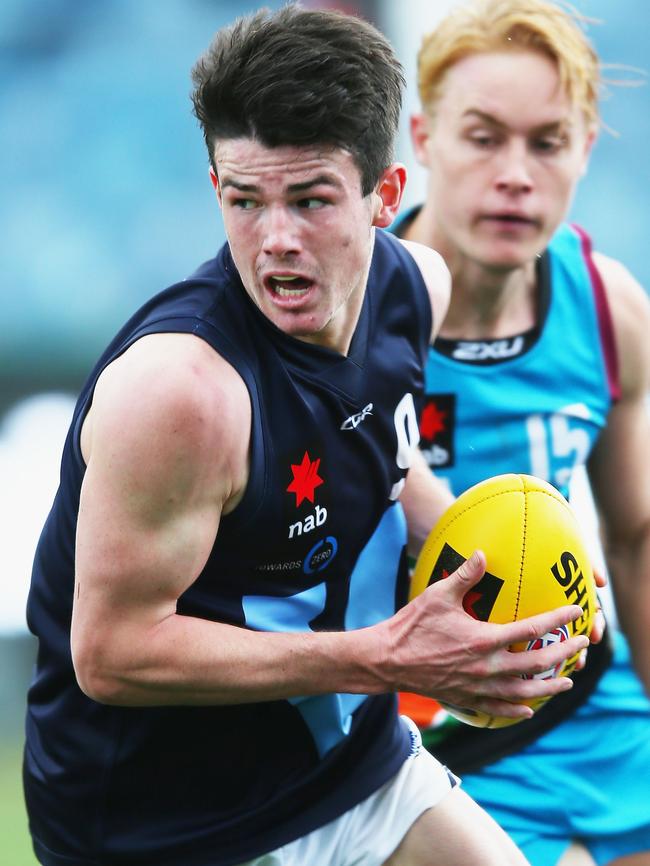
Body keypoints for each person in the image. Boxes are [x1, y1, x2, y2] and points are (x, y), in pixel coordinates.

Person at [21, 6, 591, 866]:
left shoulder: (416, 291)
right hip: (162, 828)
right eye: (245, 200)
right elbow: (113, 653)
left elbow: (382, 463)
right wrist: (391, 657)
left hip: (351, 766)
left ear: (384, 197)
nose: (276, 240)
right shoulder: (181, 395)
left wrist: (497, 576)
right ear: (216, 187)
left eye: (312, 199)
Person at [392, 1, 650, 864]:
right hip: (417, 736)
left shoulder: (610, 310)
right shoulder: (341, 319)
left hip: (592, 703)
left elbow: (639, 538)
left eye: (546, 141)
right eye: (483, 136)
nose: (515, 173)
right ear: (423, 139)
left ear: (584, 150)